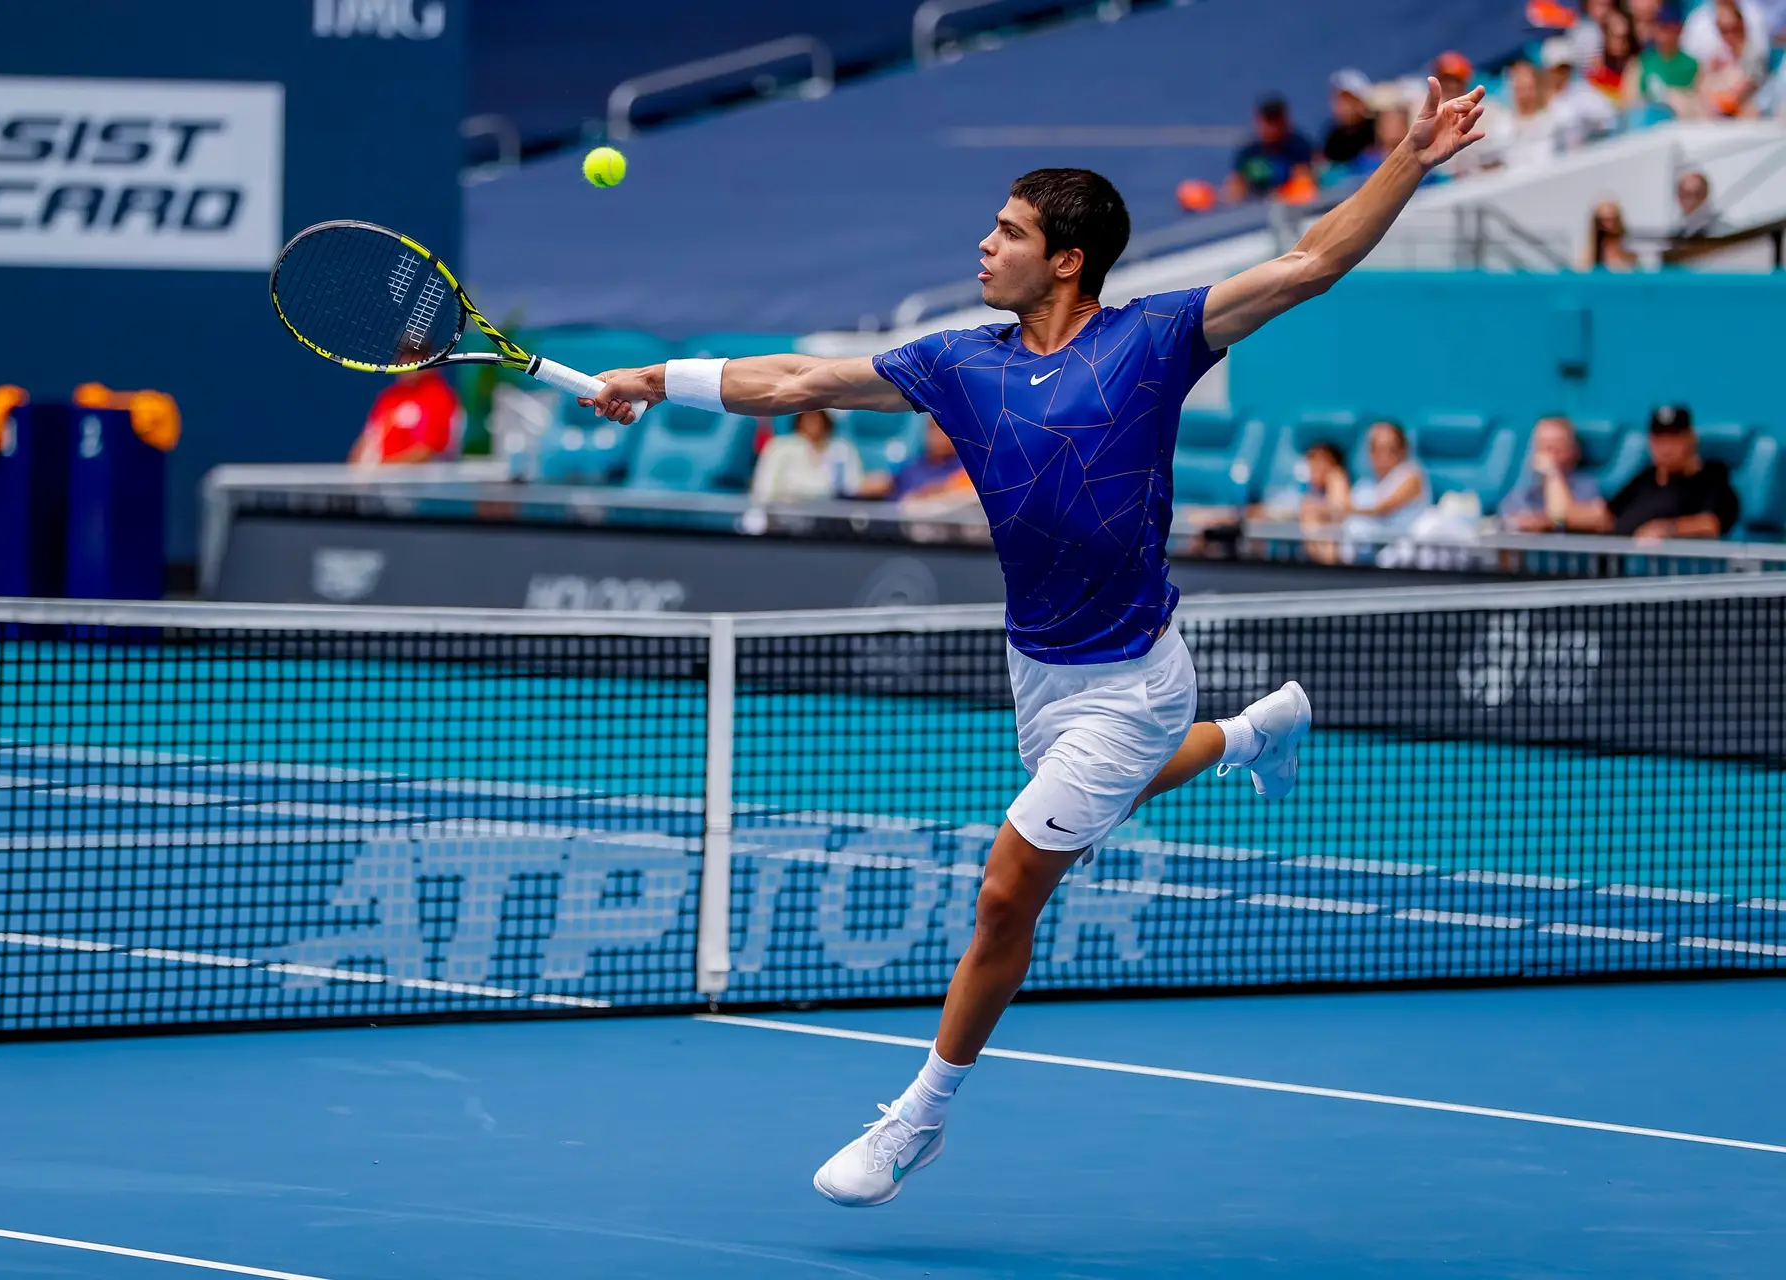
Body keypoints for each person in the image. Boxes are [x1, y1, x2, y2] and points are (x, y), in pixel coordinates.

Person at [581, 77, 1487, 1207]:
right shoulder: (962, 362)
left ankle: (919, 1118)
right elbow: (802, 377)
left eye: (1007, 230)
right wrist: (657, 379)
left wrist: (1410, 157)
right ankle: (1256, 730)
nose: (984, 242)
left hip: (1134, 677)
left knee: (1008, 889)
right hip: (1039, 666)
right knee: (1088, 800)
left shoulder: (1156, 339)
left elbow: (1308, 263)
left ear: (1066, 257)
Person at [1600, 404, 1742, 540]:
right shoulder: (1646, 477)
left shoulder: (1711, 477)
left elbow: (1710, 524)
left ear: (1691, 438)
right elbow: (1608, 515)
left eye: (1674, 439)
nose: (1666, 449)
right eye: (1659, 440)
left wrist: (1666, 529)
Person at [1339, 420, 1433, 558]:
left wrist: (1342, 509)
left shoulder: (1412, 475)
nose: (1382, 456)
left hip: (1406, 559)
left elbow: (1384, 509)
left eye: (1390, 449)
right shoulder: (1365, 487)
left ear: (1403, 451)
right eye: (1375, 449)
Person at [1499, 415, 1609, 531]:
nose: (1549, 450)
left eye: (1558, 443)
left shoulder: (1586, 485)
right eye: (1543, 443)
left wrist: (1552, 474)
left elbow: (1561, 516)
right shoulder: (1524, 489)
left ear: (1574, 450)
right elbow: (1511, 522)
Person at [348, 364, 462, 466]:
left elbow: (427, 452)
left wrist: (378, 470)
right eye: (404, 355)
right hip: (379, 484)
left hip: (423, 484)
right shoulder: (389, 398)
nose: (409, 361)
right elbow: (364, 443)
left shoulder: (439, 397)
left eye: (417, 356)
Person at [748, 409, 863, 503]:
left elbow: (853, 486)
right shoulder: (780, 447)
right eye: (808, 416)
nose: (812, 421)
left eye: (817, 416)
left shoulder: (842, 449)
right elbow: (763, 490)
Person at [1224, 96, 1316, 202]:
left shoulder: (1298, 147)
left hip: (1288, 209)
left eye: (1276, 120)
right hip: (1255, 207)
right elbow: (1235, 185)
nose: (1272, 127)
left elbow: (1303, 182)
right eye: (1268, 120)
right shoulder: (1248, 152)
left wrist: (1279, 195)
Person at [882, 418, 977, 506]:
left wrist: (940, 491)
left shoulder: (968, 468)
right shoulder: (911, 468)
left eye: (943, 430)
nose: (937, 436)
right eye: (932, 429)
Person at [1632, 3, 1703, 115]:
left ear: (1680, 30)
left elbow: (1701, 102)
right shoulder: (1642, 62)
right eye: (1662, 27)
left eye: (1671, 29)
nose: (1665, 35)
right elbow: (1630, 100)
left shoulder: (1692, 65)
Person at [1321, 70, 1378, 170]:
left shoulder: (1378, 132)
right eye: (1338, 100)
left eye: (1347, 100)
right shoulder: (1333, 137)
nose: (1340, 107)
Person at [1587, 199, 1641, 270]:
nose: (1609, 224)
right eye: (1604, 219)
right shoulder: (1590, 254)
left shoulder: (1630, 249)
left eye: (1613, 218)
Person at [1675, 169, 1727, 236]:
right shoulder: (1678, 237)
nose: (1692, 200)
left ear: (1706, 196)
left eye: (1698, 194)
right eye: (1685, 195)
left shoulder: (1723, 232)